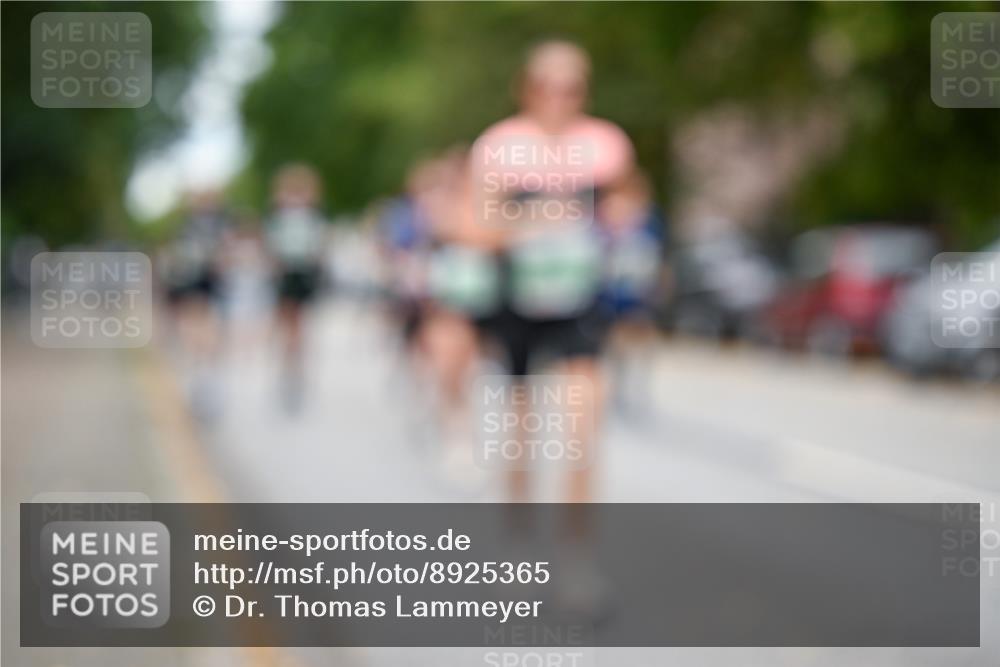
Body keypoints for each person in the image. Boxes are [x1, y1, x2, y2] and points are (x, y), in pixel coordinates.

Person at [159, 190, 230, 420]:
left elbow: (226, 257)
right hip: (192, 285)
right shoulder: (186, 229)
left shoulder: (221, 227)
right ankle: (201, 378)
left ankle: (206, 378)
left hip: (212, 286)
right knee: (196, 333)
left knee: (209, 335)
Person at [264, 164, 329, 413]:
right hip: (287, 275)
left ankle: (296, 368)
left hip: (302, 275)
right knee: (288, 323)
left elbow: (319, 247)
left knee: (298, 325)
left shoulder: (313, 217)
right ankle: (289, 366)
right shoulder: (278, 217)